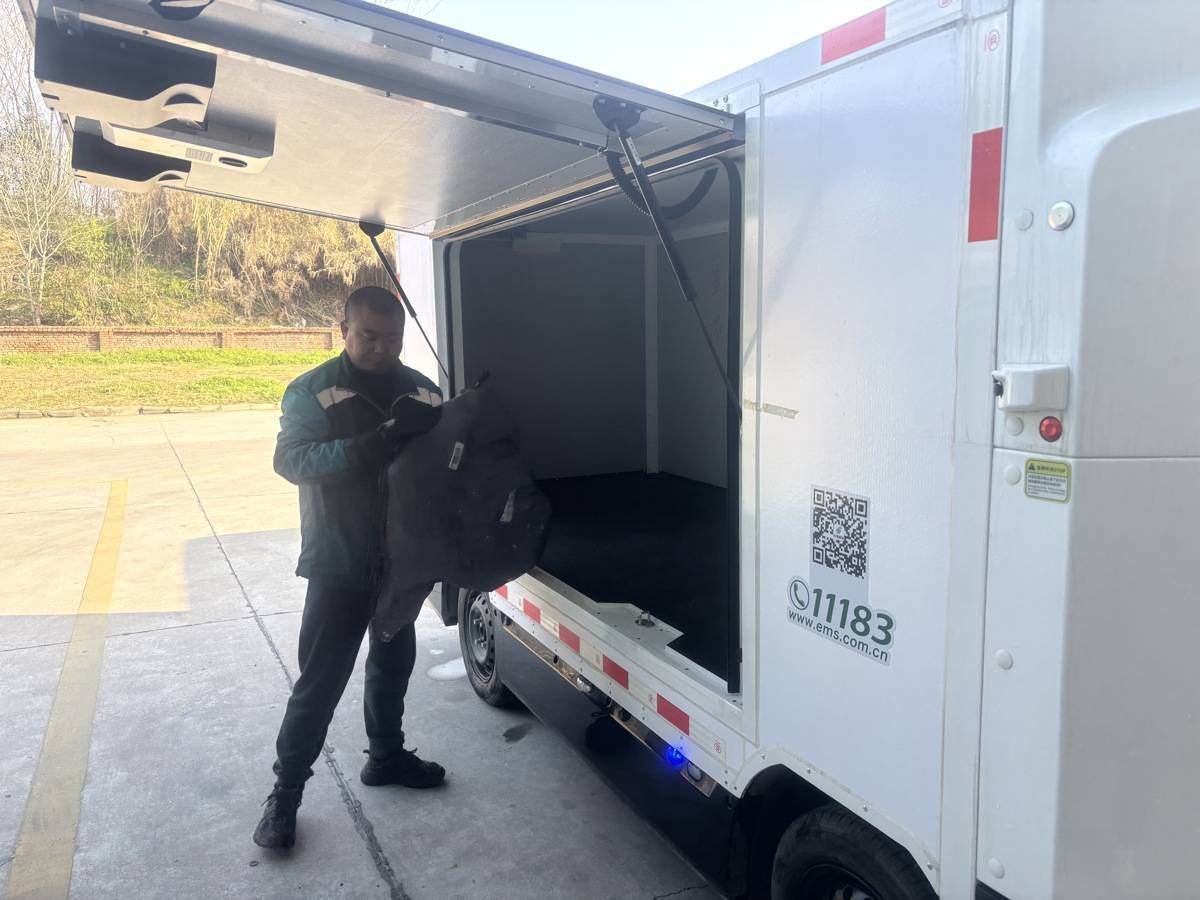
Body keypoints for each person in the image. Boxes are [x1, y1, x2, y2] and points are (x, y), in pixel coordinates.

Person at [253, 285, 446, 851]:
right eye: (368, 336)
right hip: (339, 561)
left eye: (392, 338)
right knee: (319, 683)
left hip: (401, 564)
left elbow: (445, 467)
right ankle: (285, 794)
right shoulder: (312, 390)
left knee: (393, 664)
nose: (381, 348)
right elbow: (290, 459)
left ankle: (385, 757)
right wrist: (367, 445)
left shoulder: (424, 392)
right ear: (343, 331)